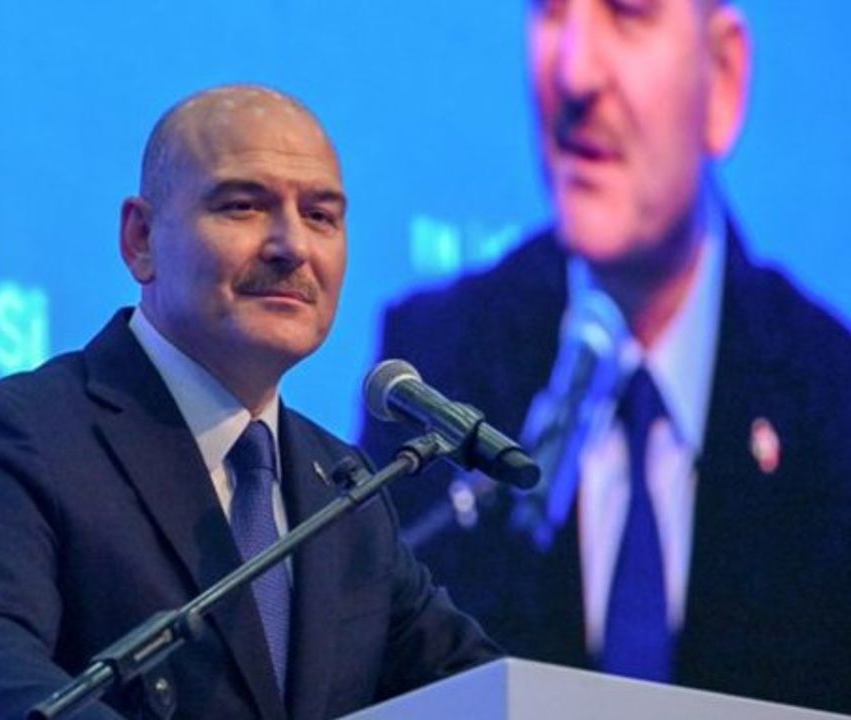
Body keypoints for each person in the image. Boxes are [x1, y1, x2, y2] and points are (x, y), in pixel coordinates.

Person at [0, 85, 499, 720]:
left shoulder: (346, 493)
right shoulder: (15, 437)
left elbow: (482, 691)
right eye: (244, 206)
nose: (292, 246)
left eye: (320, 216)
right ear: (141, 239)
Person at [361, 0, 851, 713]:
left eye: (627, 13)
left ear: (721, 74)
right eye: (551, 12)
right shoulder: (438, 362)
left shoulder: (832, 397)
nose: (574, 72)